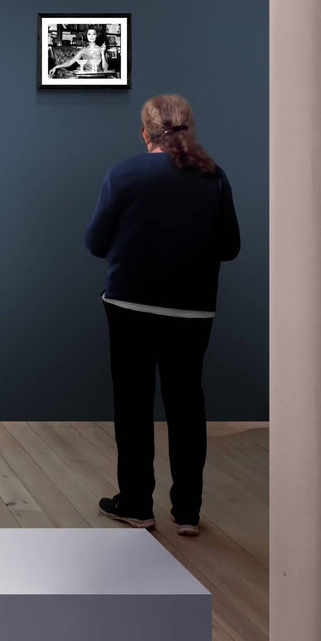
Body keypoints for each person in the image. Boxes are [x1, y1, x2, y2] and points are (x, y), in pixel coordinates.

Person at [85, 94, 240, 536]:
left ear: (144, 133)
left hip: (129, 304)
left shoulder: (124, 173)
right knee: (187, 404)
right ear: (188, 129)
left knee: (132, 403)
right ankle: (187, 512)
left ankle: (136, 504)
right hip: (192, 310)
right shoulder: (214, 176)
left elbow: (96, 243)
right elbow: (230, 247)